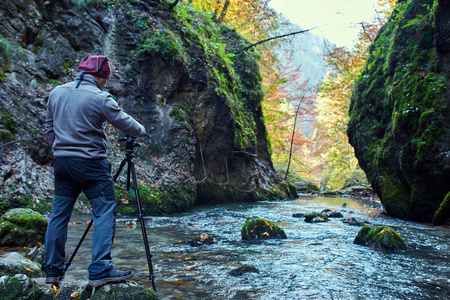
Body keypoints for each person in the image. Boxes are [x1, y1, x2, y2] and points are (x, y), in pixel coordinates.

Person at [43, 55, 146, 287]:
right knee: (104, 210)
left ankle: (52, 270)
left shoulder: (57, 92)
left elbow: (49, 129)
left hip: (62, 163)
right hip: (91, 164)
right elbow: (124, 122)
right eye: (106, 79)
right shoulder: (100, 97)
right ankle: (100, 269)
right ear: (102, 76)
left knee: (59, 215)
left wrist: (60, 149)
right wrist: (142, 131)